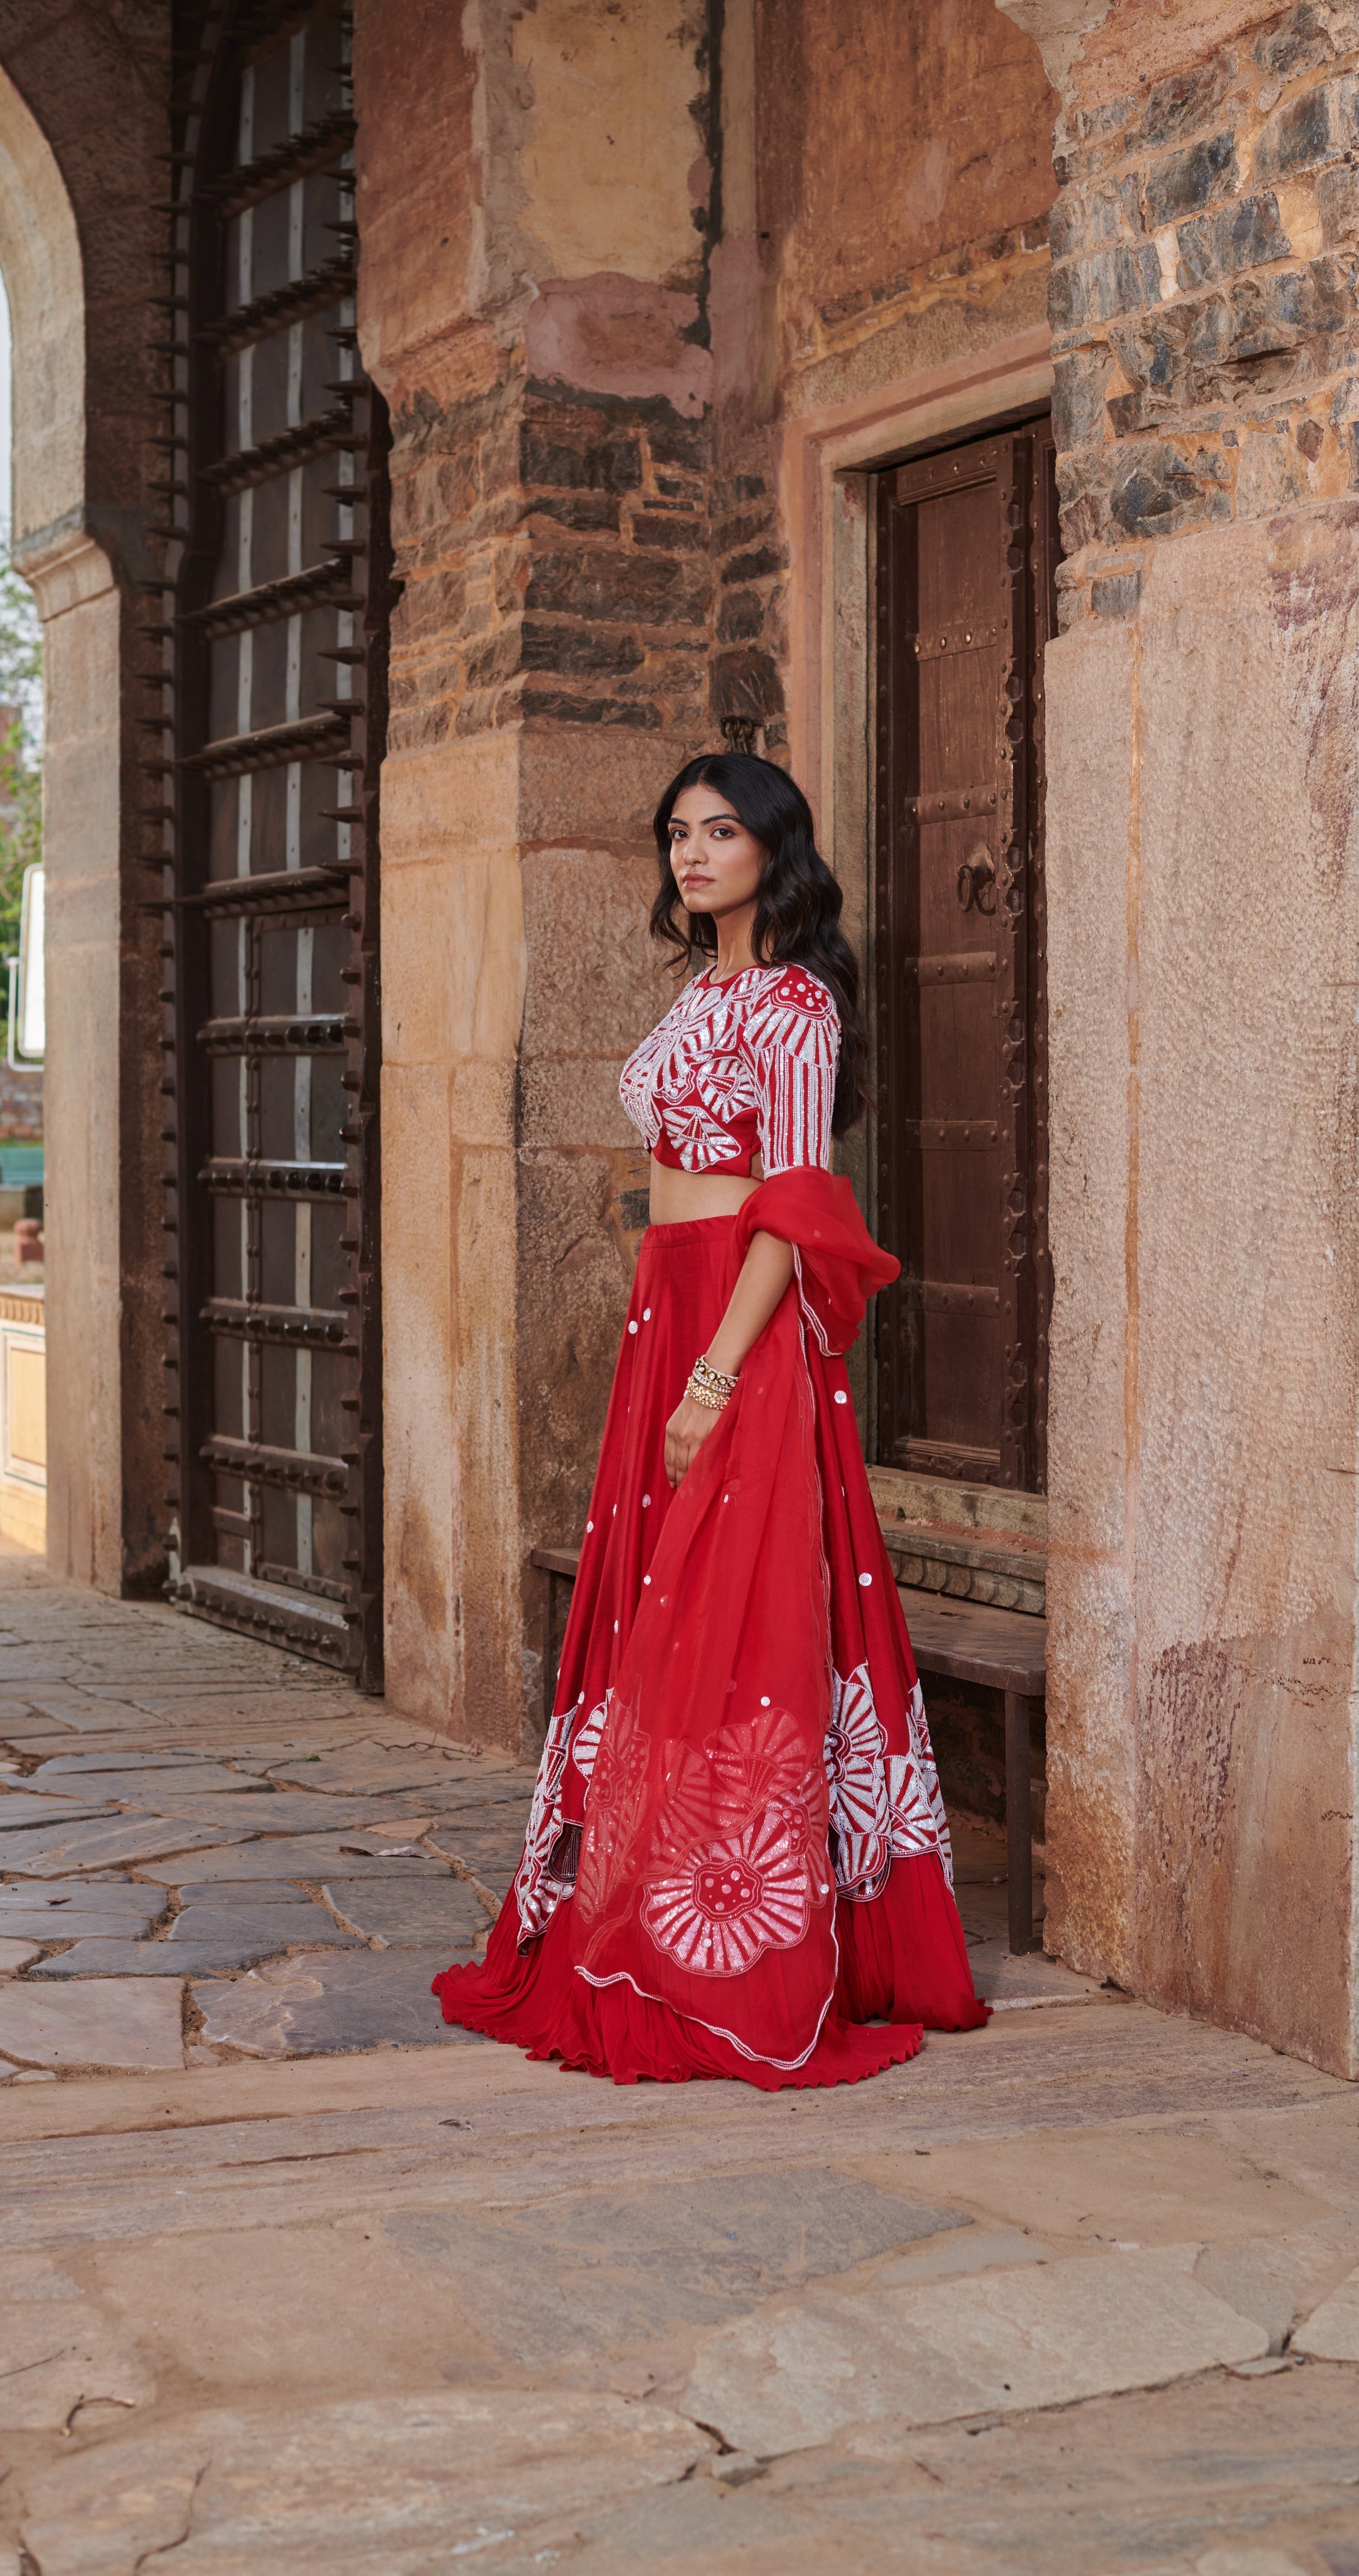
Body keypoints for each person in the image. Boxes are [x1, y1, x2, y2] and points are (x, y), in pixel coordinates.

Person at [435, 751, 989, 2087]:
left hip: (736, 1325)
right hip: (664, 1308)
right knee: (660, 1609)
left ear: (771, 851)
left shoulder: (794, 1006)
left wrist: (716, 1376)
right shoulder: (704, 990)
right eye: (676, 833)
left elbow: (795, 1207)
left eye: (720, 831)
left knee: (731, 1611)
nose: (691, 853)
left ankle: (738, 1948)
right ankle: (638, 1900)